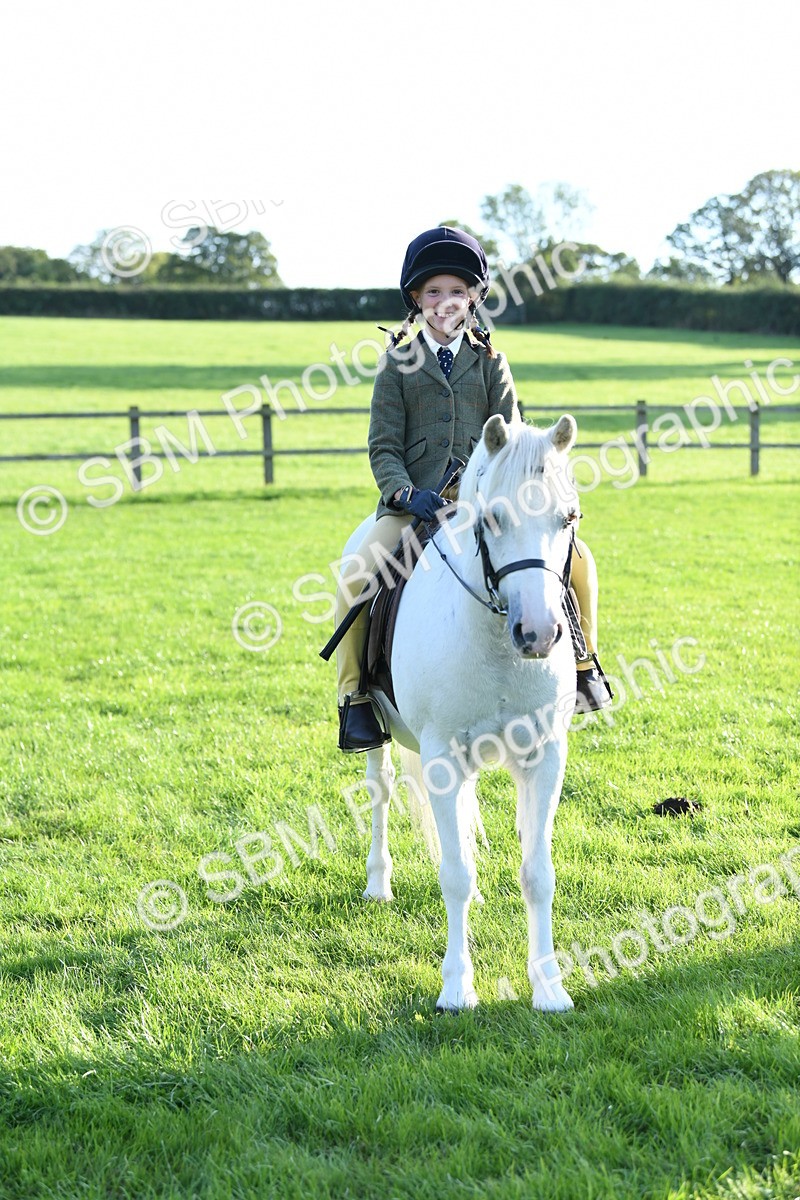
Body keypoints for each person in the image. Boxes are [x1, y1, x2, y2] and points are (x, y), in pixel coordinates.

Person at [333, 226, 610, 752]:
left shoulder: (491, 364)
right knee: (355, 573)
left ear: (474, 299)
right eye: (433, 293)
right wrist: (404, 493)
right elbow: (383, 447)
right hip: (413, 506)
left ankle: (583, 663)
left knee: (580, 561)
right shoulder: (396, 365)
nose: (445, 304)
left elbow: (518, 444)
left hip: (485, 508)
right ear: (416, 299)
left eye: (456, 292)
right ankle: (356, 699)